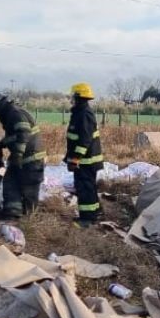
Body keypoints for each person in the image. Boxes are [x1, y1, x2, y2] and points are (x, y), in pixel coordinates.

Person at [0, 91, 46, 220]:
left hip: (30, 159)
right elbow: (14, 137)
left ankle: (29, 219)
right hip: (23, 158)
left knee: (29, 190)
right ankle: (12, 214)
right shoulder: (11, 115)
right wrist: (2, 143)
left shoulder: (15, 114)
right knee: (10, 183)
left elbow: (23, 134)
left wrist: (17, 155)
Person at [65, 82, 105, 227]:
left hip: (86, 161)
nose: (71, 99)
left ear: (79, 97)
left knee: (85, 189)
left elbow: (84, 140)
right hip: (85, 161)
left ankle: (87, 220)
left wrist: (75, 159)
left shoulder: (84, 114)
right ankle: (94, 214)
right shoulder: (80, 113)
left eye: (73, 96)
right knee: (88, 188)